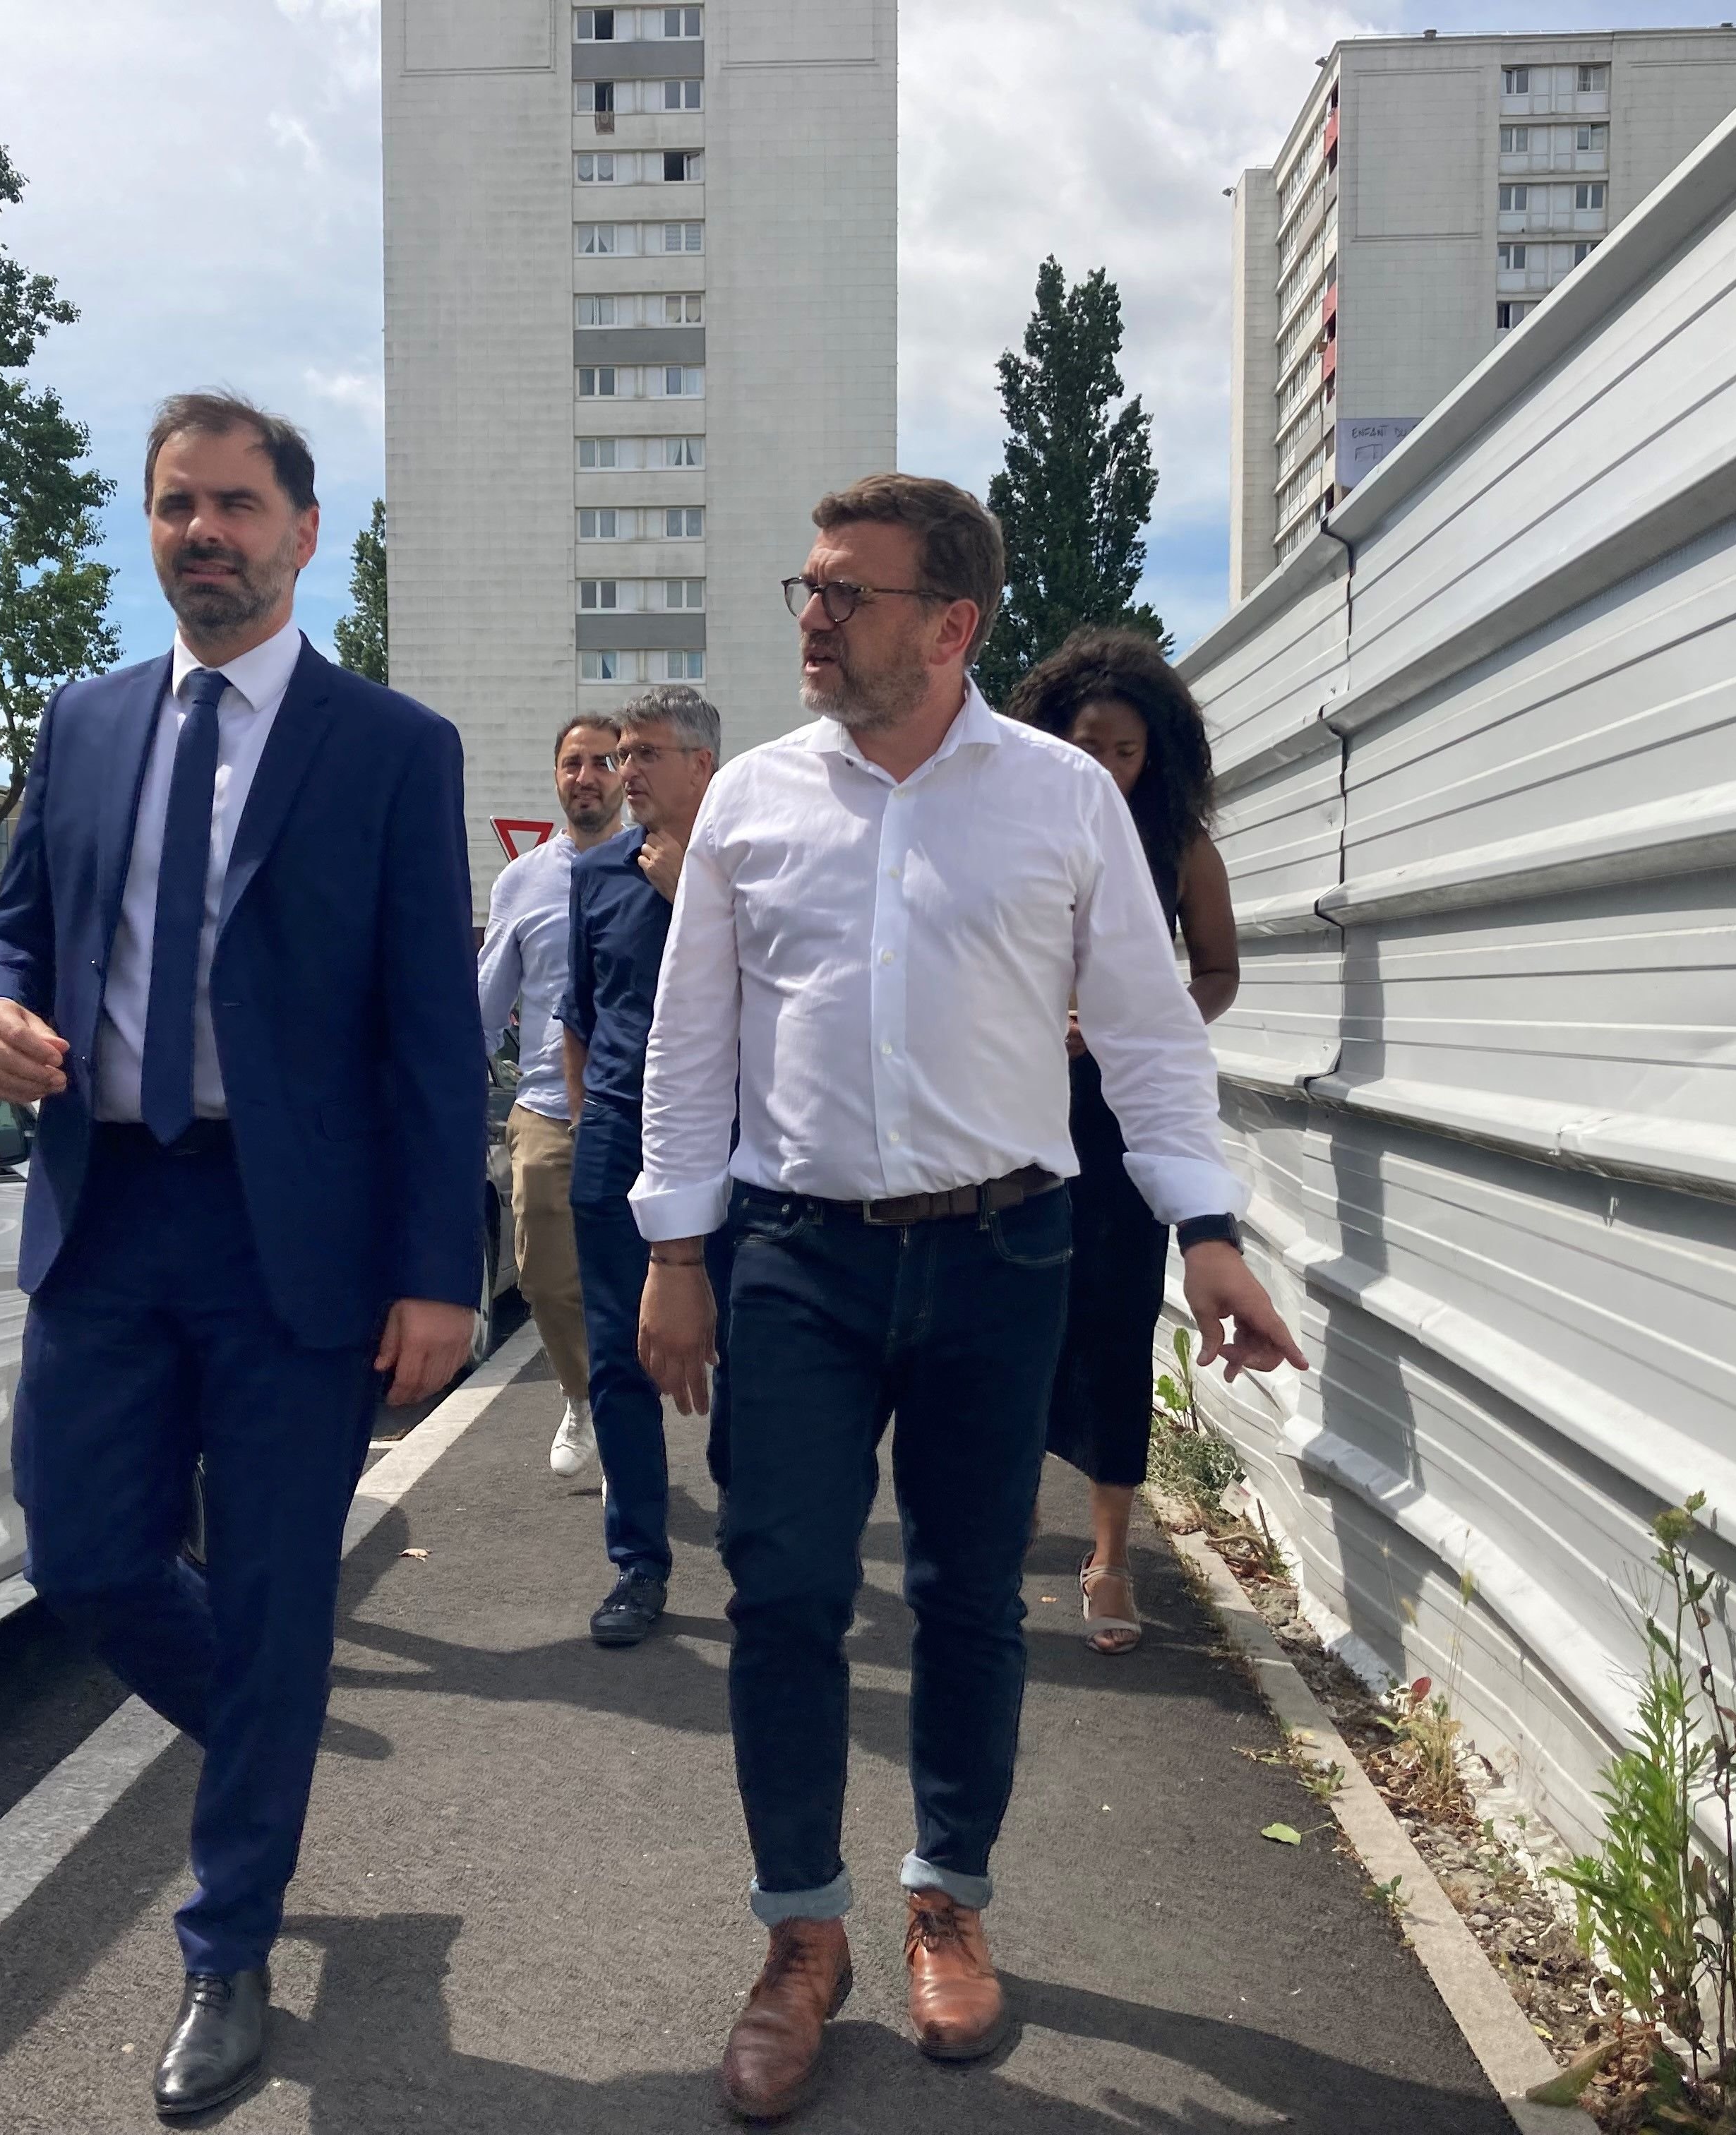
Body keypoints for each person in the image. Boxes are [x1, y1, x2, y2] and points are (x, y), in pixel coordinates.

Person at [631, 475, 1306, 2122]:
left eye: (845, 593)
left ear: (952, 624)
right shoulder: (753, 805)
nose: (811, 616)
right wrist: (672, 1249)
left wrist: (1205, 1224)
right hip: (795, 1253)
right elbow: (693, 1036)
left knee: (965, 1596)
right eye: (804, 585)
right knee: (784, 1590)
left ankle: (947, 1891)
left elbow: (1148, 1030)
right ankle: (802, 1933)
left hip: (1008, 1251)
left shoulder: (1064, 800)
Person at [0, 393, 484, 2119]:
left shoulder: (390, 749)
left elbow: (425, 1032)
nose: (205, 533)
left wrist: (438, 1270)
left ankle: (225, 1940)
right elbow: (14, 928)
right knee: (89, 1558)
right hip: (107, 1210)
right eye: (176, 504)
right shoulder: (83, 721)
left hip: (297, 1242)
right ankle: (270, 1739)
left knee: (270, 1590)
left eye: (237, 506)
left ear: (303, 531)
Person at [1005, 629, 1243, 1656]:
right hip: (1010, 1108)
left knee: (1112, 1325)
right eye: (1086, 741)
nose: (1104, 765)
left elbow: (1219, 972)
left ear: (1157, 756)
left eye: (1126, 750)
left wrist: (1138, 1021)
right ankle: (1007, 1505)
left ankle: (1108, 1554)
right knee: (1010, 1315)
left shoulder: (1178, 844)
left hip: (1119, 1119)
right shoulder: (1010, 830)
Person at [559, 686, 724, 1649]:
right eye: (620, 754)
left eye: (645, 754)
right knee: (620, 1359)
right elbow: (581, 1013)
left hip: (734, 1134)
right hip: (618, 1134)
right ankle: (638, 1564)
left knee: (750, 1346)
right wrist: (588, 1123)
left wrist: (688, 893)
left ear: (702, 764)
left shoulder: (746, 865)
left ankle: (758, 1539)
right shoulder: (596, 873)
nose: (624, 774)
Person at [475, 714, 627, 1476]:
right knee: (544, 1275)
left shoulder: (665, 867)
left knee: (654, 1283)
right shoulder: (523, 881)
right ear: (557, 776)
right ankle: (583, 1396)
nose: (587, 776)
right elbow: (485, 999)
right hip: (546, 1106)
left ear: (628, 773)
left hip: (644, 1109)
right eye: (573, 763)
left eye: (604, 761)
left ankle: (634, 1440)